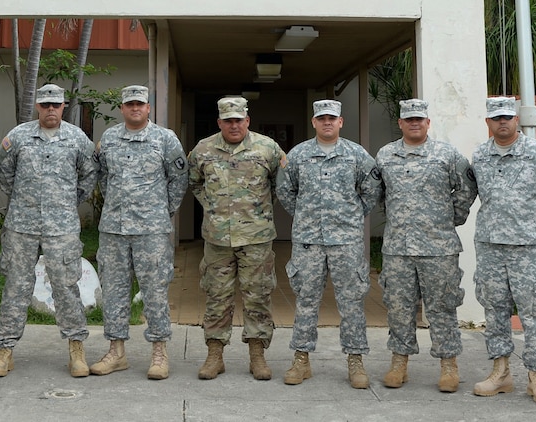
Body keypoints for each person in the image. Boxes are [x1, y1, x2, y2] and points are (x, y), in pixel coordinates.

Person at [465, 96, 536, 404]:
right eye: (496, 118)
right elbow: (475, 193)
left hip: (528, 247)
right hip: (490, 246)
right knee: (494, 309)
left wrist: (533, 221)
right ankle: (501, 373)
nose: (502, 122)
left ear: (516, 119)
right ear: (488, 121)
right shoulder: (480, 155)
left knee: (534, 311)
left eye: (508, 117)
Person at [0, 83, 98, 378]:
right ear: (37, 106)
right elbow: (4, 174)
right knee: (15, 287)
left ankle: (76, 348)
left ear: (65, 107)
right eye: (45, 104)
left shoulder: (77, 138)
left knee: (66, 287)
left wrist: (64, 202)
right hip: (21, 227)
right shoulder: (19, 137)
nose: (51, 109)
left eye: (56, 105)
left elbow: (89, 176)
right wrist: (26, 201)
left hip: (61, 227)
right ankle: (4, 350)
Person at [275, 99, 381, 389]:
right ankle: (301, 360)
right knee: (306, 301)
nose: (327, 122)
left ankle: (356, 361)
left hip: (346, 241)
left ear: (340, 122)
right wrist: (305, 215)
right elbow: (285, 189)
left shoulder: (357, 155)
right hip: (309, 241)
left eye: (332, 118)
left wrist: (352, 214)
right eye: (321, 118)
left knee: (352, 302)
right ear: (314, 122)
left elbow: (372, 190)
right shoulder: (298, 155)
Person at [89, 84, 188, 380]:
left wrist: (161, 210)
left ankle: (159, 352)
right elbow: (103, 178)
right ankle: (116, 352)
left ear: (148, 108)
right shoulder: (108, 138)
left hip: (151, 231)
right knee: (114, 290)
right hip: (113, 230)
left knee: (155, 291)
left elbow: (179, 180)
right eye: (129, 104)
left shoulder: (165, 139)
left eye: (140, 104)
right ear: (122, 108)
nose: (135, 108)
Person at [374, 98, 471, 393]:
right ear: (401, 123)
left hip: (438, 247)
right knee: (399, 308)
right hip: (398, 248)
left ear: (428, 123)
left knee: (442, 307)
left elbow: (466, 189)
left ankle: (448, 365)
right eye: (409, 120)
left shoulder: (447, 154)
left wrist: (447, 220)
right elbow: (378, 193)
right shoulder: (385, 155)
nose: (414, 124)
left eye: (420, 119)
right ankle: (399, 362)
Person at [187, 96, 285, 381]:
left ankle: (258, 356)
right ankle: (215, 355)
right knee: (217, 296)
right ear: (219, 122)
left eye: (238, 120)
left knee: (258, 296)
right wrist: (213, 208)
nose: (233, 125)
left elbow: (280, 185)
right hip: (217, 239)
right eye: (228, 121)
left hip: (256, 238)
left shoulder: (268, 148)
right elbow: (194, 182)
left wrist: (258, 212)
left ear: (247, 120)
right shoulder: (203, 150)